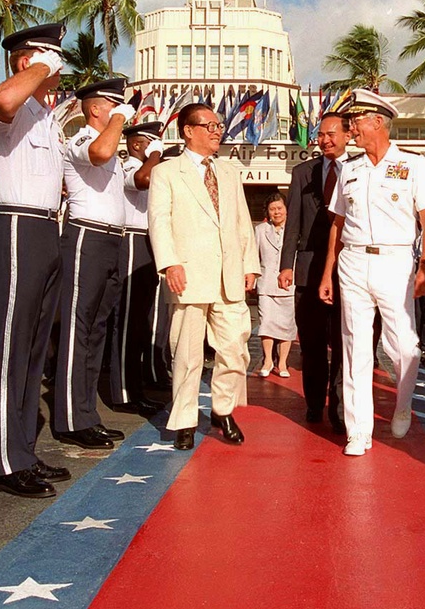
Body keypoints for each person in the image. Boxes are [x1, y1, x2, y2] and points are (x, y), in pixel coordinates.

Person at [319, 89, 425, 456]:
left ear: (378, 122)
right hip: (353, 261)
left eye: (356, 121)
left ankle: (403, 403)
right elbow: (338, 224)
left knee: (403, 345)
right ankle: (359, 431)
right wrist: (327, 272)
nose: (351, 128)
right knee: (354, 346)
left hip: (395, 260)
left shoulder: (412, 165)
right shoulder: (350, 169)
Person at [0, 23, 70, 499]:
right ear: (25, 61)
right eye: (49, 55)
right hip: (18, 224)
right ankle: (4, 462)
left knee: (35, 349)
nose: (59, 64)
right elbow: (3, 101)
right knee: (13, 347)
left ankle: (22, 450)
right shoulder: (14, 104)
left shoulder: (46, 116)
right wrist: (37, 69)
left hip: (45, 227)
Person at [148, 103, 259, 451]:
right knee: (187, 354)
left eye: (218, 125)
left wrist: (250, 264)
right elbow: (159, 221)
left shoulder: (228, 172)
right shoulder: (166, 172)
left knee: (235, 348)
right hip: (188, 274)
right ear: (188, 131)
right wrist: (170, 263)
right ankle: (184, 419)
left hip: (229, 276)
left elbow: (242, 221)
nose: (217, 131)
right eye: (209, 125)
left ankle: (223, 409)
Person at [54, 78, 134, 450]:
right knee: (78, 327)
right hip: (86, 235)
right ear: (96, 108)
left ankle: (87, 414)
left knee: (97, 329)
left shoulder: (113, 147)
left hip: (111, 240)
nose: (121, 110)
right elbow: (100, 153)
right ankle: (71, 418)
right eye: (113, 104)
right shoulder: (83, 139)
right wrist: (119, 119)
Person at [279, 113, 350, 432]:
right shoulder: (303, 172)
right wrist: (286, 264)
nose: (325, 140)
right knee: (311, 340)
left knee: (344, 340)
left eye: (331, 134)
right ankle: (314, 402)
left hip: (347, 264)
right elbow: (292, 222)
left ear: (347, 135)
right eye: (321, 135)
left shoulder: (359, 170)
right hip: (309, 265)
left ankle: (339, 406)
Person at [109, 121, 169, 415]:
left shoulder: (150, 167)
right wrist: (156, 153)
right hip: (131, 240)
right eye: (150, 141)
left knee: (141, 322)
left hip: (147, 241)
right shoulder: (131, 166)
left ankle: (136, 388)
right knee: (128, 321)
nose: (155, 147)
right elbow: (143, 180)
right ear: (135, 144)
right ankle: (123, 392)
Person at [254, 192, 297, 377]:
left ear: (286, 210)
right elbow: (254, 256)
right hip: (266, 285)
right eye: (273, 209)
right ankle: (268, 360)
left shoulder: (295, 230)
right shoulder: (260, 230)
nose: (276, 212)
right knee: (266, 323)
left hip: (288, 286)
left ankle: (283, 363)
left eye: (279, 208)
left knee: (287, 325)